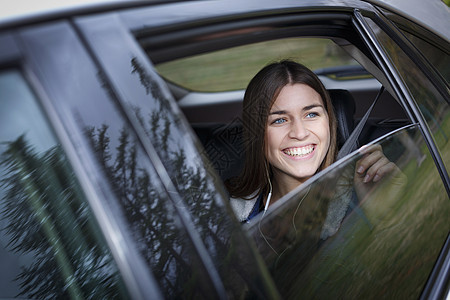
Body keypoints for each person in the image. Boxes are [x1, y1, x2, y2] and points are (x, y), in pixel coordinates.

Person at [226, 60, 400, 225]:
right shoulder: (225, 211)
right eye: (280, 120)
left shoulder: (360, 200)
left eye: (311, 114)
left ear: (329, 122)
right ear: (257, 134)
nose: (300, 133)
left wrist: (385, 219)